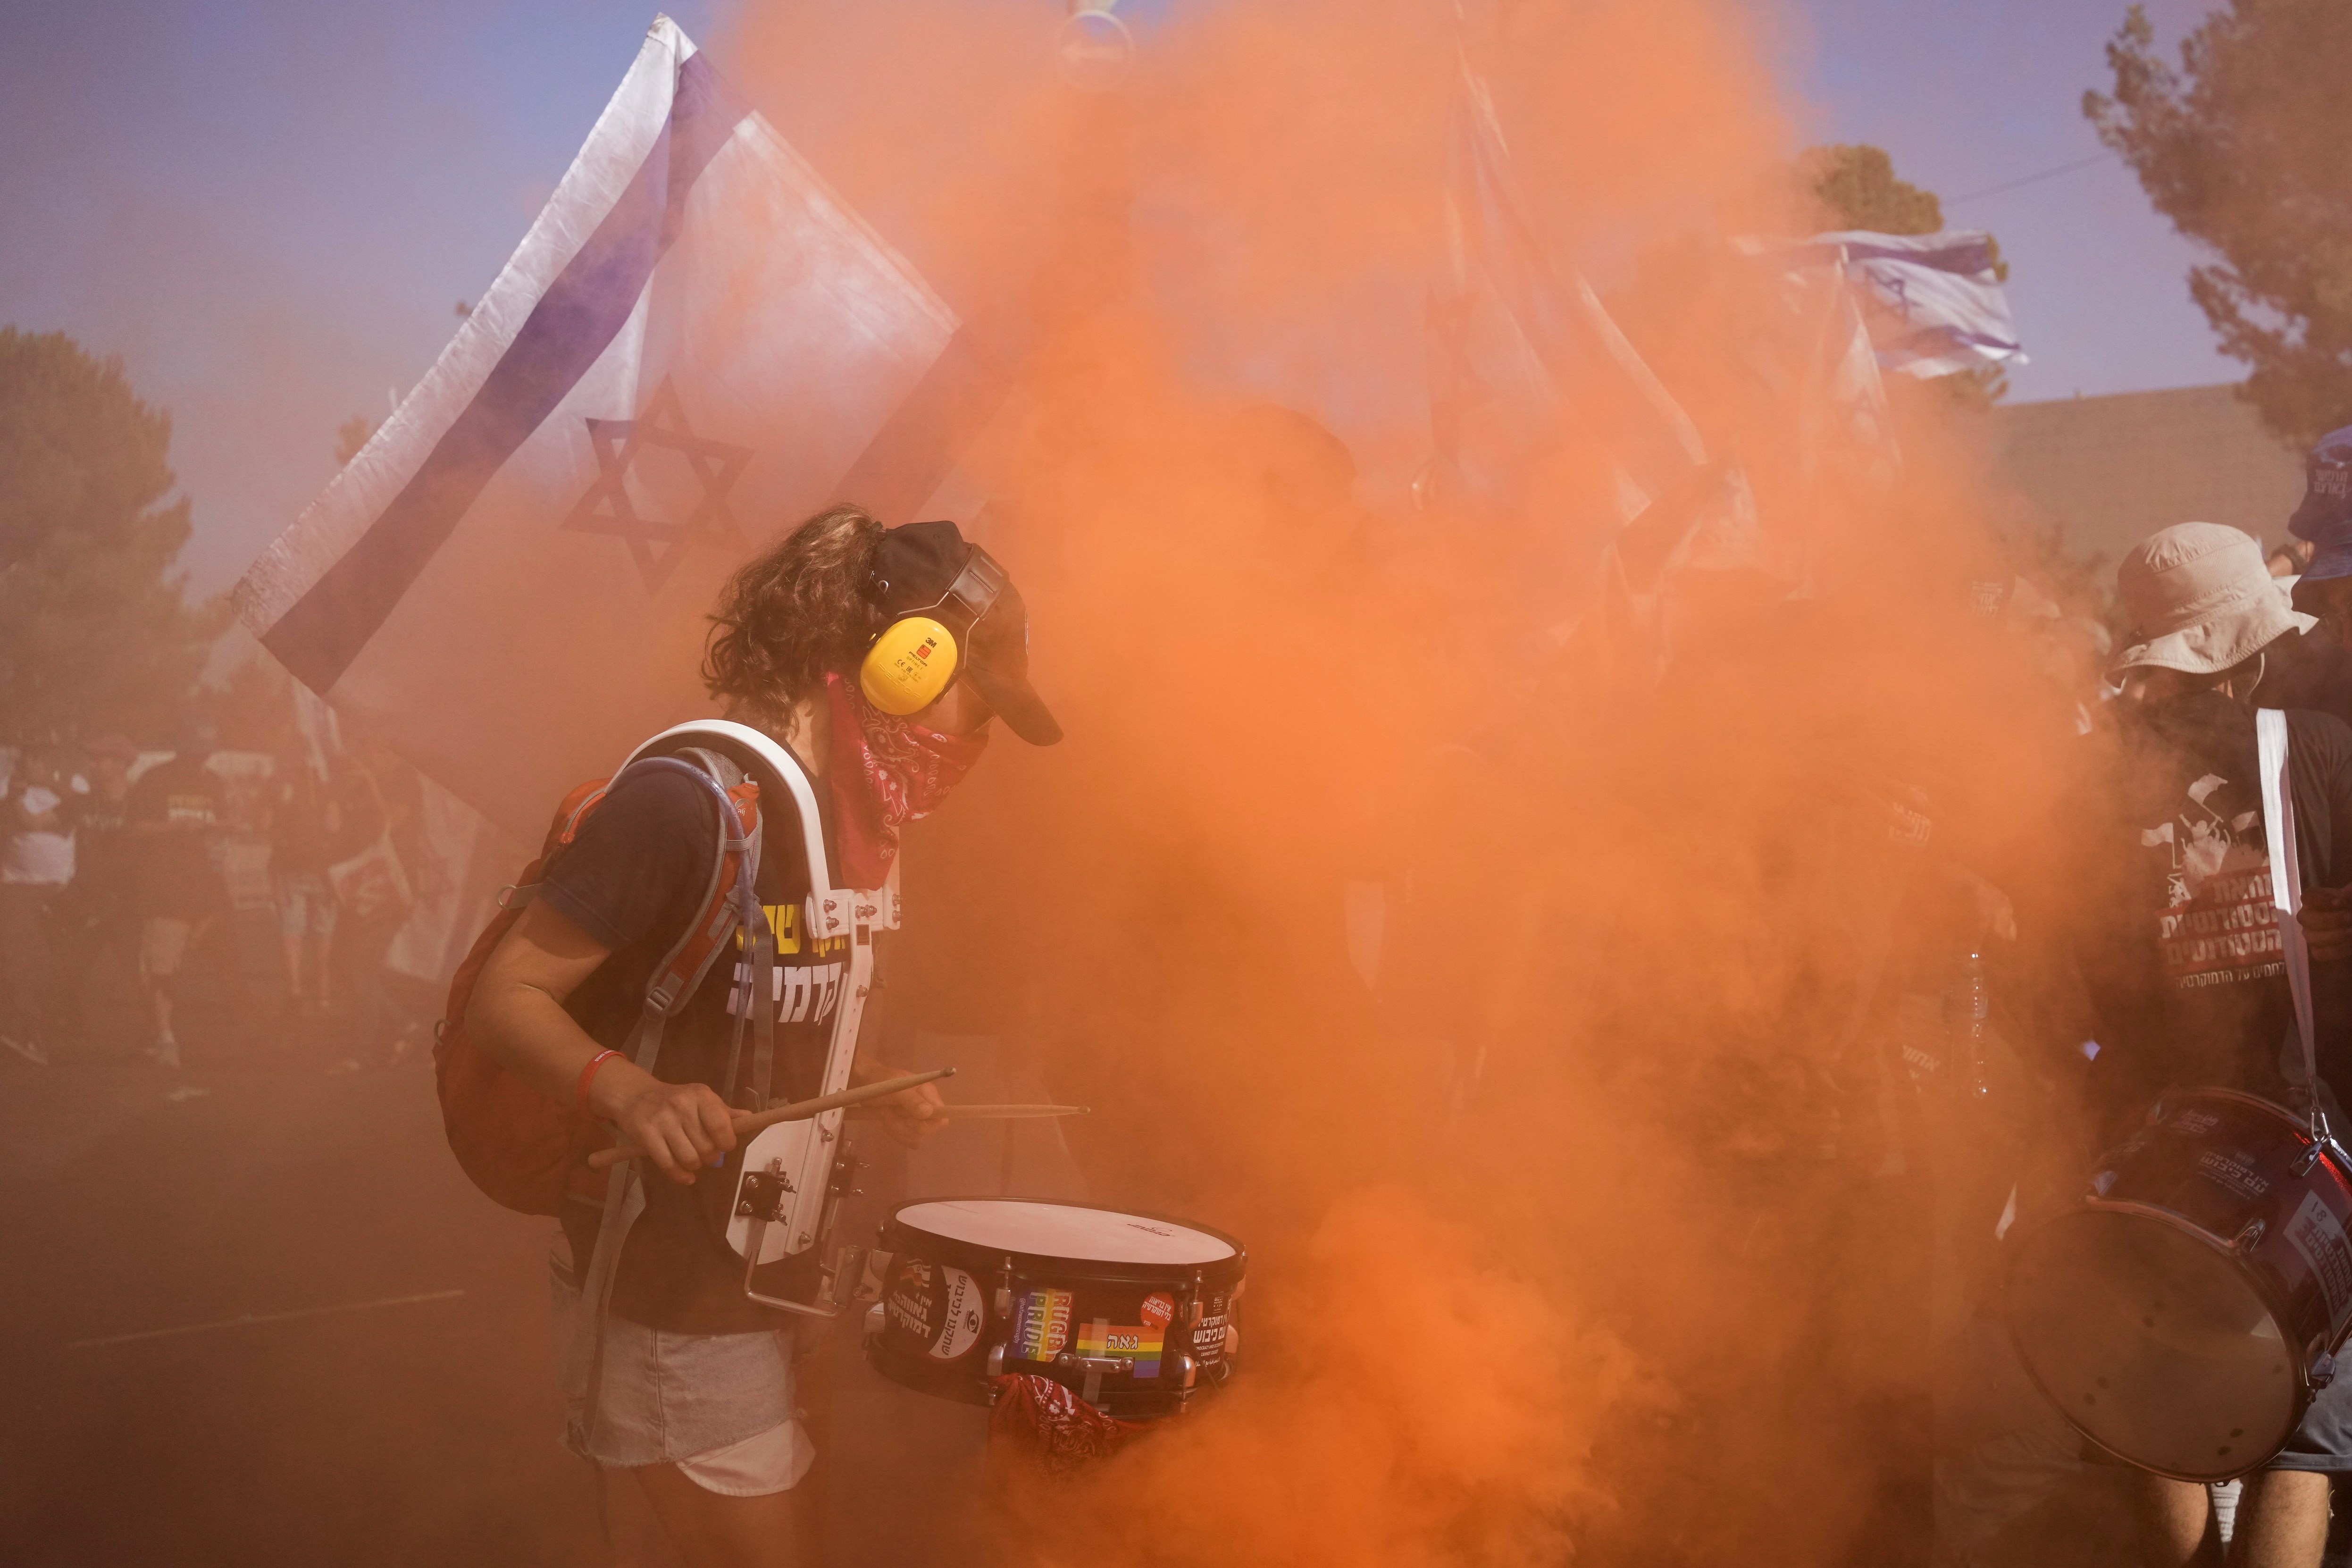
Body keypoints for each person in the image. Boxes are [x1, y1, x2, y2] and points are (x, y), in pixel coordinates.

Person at [465, 508, 1059, 1565]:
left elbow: (750, 1013)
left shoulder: (842, 824)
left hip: (763, 1278)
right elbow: (507, 994)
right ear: (900, 666)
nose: (974, 739)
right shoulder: (688, 801)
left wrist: (864, 1076)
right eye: (975, 703)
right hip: (667, 1291)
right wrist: (633, 1095)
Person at [2063, 522, 2352, 1567]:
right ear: (2251, 648)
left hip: (2150, 1138)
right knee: (2304, 1445)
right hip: (2306, 1140)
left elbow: (2061, 970)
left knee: (2157, 1408)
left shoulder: (2082, 790)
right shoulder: (2319, 749)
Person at [127, 718, 230, 1070]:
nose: (202, 759)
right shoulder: (155, 779)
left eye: (207, 752)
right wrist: (175, 827)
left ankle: (161, 1032)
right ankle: (166, 1039)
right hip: (165, 887)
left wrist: (220, 829)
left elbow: (224, 824)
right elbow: (136, 828)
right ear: (181, 748)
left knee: (187, 969)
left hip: (207, 889)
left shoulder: (214, 782)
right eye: (197, 752)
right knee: (158, 969)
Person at [0, 748, 79, 1065]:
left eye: (36, 759)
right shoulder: (9, 793)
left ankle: (50, 1025)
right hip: (16, 888)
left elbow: (41, 821)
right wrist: (13, 796)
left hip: (61, 892)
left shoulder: (72, 791)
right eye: (24, 761)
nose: (27, 766)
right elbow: (15, 821)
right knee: (24, 961)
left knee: (55, 964)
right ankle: (27, 1030)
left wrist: (35, 790)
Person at [268, 752, 337, 1023]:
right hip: (322, 872)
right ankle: (322, 994)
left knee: (292, 933)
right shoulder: (328, 792)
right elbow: (335, 828)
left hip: (291, 870)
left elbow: (267, 828)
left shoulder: (284, 793)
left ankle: (296, 991)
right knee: (322, 935)